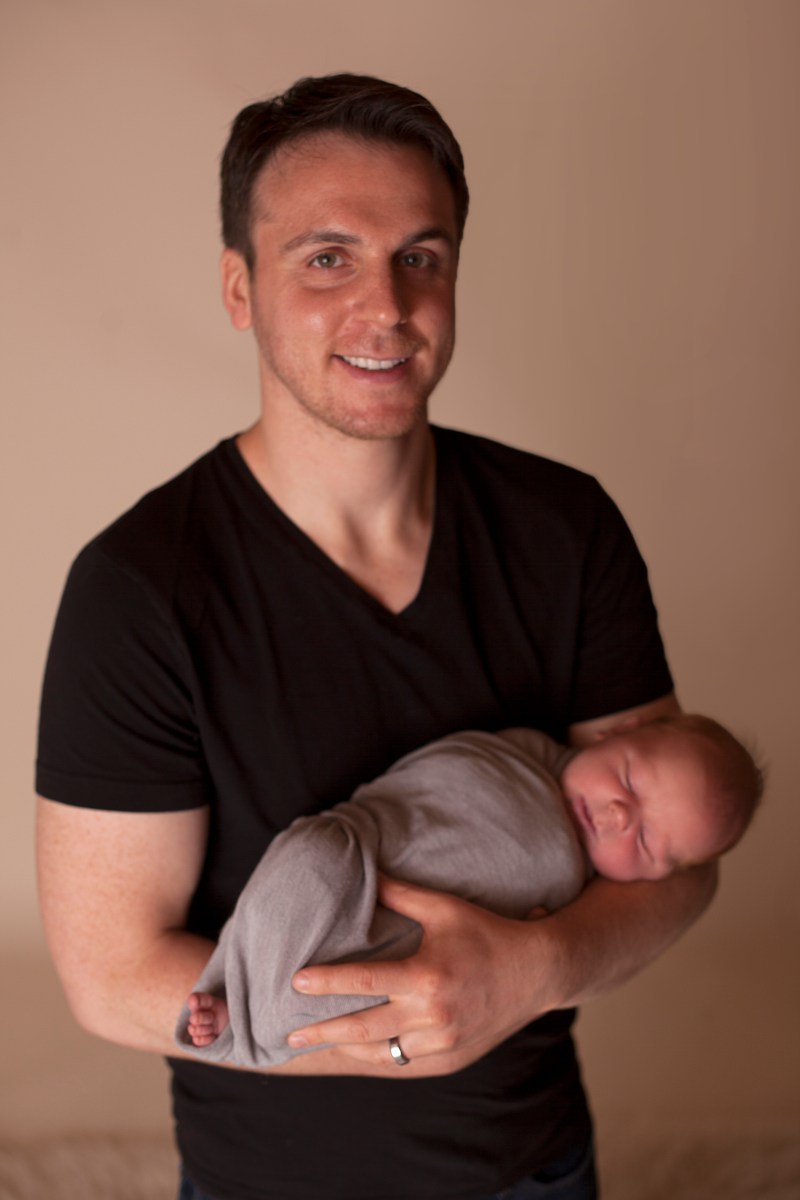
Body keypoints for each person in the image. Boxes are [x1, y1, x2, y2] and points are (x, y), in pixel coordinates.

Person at [35, 74, 721, 1200]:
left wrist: (531, 971)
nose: (388, 305)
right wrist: (404, 1024)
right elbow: (111, 978)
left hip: (533, 1169)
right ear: (238, 287)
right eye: (326, 258)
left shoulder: (566, 528)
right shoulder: (137, 590)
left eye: (420, 256)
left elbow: (679, 859)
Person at [177, 715, 761, 1068]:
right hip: (369, 850)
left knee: (345, 990)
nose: (617, 814)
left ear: (656, 877)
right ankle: (231, 980)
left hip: (409, 946)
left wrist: (539, 945)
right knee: (310, 863)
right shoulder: (526, 750)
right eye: (629, 778)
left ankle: (244, 1024)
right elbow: (433, 777)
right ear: (618, 730)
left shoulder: (581, 900)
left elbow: (516, 962)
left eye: (648, 839)